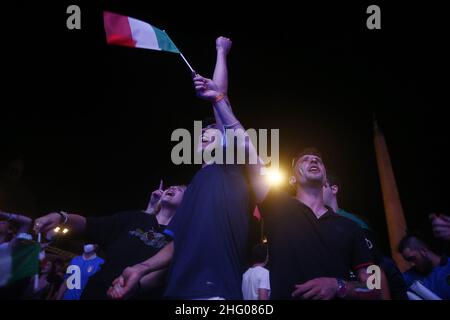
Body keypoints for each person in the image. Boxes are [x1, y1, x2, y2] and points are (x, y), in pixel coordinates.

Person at [108, 36, 255, 300]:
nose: (203, 135)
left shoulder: (227, 169)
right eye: (202, 133)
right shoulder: (195, 186)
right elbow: (178, 245)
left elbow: (219, 99)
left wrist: (221, 51)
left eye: (212, 132)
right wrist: (141, 271)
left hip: (213, 293)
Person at [248, 148, 381, 299]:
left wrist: (339, 285)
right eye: (305, 160)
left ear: (325, 180)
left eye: (318, 160)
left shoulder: (351, 226)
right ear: (292, 179)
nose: (313, 160)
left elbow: (376, 287)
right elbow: (247, 148)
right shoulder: (277, 206)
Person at [34, 183, 185, 299]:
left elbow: (166, 274)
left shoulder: (181, 237)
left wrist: (137, 286)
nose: (172, 187)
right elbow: (90, 224)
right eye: (172, 186)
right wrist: (62, 218)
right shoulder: (134, 218)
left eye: (180, 189)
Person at [322, 173, 408, 300]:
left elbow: (375, 268)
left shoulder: (356, 222)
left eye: (319, 186)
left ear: (334, 189)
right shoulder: (314, 223)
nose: (313, 190)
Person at [399, 234, 450, 299]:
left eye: (413, 258)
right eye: (408, 260)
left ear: (423, 251)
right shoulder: (408, 278)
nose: (412, 264)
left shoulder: (448, 267)